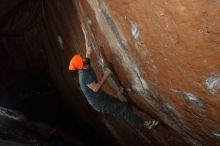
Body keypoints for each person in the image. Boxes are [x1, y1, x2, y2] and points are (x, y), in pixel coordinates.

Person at [68, 26, 159, 130]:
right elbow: (96, 88)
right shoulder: (84, 76)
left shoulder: (85, 64)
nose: (84, 57)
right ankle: (145, 126)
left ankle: (138, 119)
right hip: (98, 103)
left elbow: (88, 48)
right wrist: (106, 75)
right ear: (81, 64)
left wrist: (85, 32)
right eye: (82, 58)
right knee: (123, 109)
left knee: (123, 104)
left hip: (100, 96)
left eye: (82, 57)